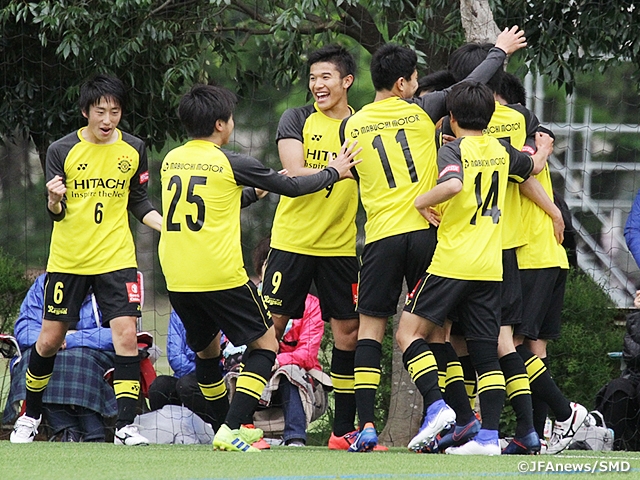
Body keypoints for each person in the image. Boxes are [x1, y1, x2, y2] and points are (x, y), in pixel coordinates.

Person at [338, 26, 527, 452]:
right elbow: (471, 86)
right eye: (414, 79)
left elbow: (347, 169)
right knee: (436, 332)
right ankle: (460, 416)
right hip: (427, 233)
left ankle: (367, 426)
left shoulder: (352, 124)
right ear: (403, 83)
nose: (418, 85)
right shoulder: (423, 112)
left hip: (383, 237)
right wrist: (500, 49)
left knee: (371, 330)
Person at [157, 83, 360, 452]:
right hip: (219, 275)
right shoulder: (232, 161)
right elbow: (293, 186)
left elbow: (215, 203)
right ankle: (233, 426)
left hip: (177, 275)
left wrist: (254, 192)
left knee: (207, 353)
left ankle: (223, 427)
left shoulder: (173, 159)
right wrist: (334, 171)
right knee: (266, 345)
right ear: (221, 124)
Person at [396, 81, 552, 455]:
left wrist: (421, 201)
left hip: (453, 260)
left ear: (451, 117)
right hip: (490, 264)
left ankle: (436, 407)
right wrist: (542, 147)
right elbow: (532, 165)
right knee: (486, 354)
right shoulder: (501, 149)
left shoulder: (454, 148)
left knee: (407, 333)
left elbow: (451, 186)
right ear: (490, 117)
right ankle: (486, 438)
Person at [10, 74, 163, 445]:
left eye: (115, 111)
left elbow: (138, 202)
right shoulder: (61, 150)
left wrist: (167, 227)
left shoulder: (134, 148)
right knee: (48, 340)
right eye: (100, 111)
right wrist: (53, 200)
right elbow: (56, 213)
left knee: (126, 336)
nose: (108, 119)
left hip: (116, 257)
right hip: (69, 261)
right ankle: (29, 416)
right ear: (85, 112)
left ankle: (126, 427)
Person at [260, 45, 365, 450]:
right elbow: (293, 173)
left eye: (325, 77)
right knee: (270, 331)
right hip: (292, 241)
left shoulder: (362, 125)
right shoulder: (297, 117)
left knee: (349, 334)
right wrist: (335, 170)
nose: (317, 85)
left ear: (346, 81)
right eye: (313, 78)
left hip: (339, 248)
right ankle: (244, 423)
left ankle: (342, 432)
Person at [4, 274, 116, 442]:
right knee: (38, 358)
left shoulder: (108, 283)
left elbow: (117, 333)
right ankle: (66, 430)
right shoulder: (43, 284)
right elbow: (25, 327)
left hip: (94, 354)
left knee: (78, 359)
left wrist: (67, 339)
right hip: (52, 346)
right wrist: (50, 340)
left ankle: (93, 431)